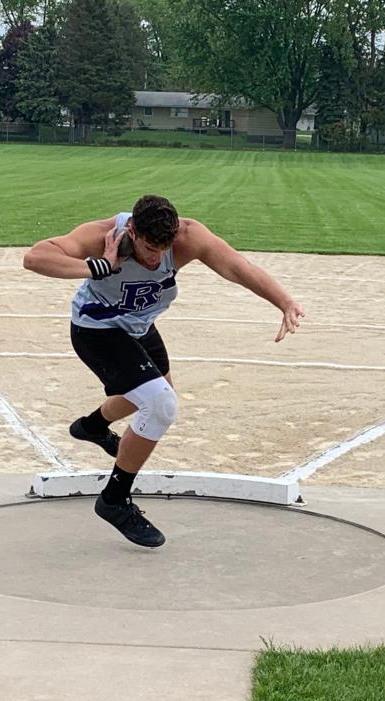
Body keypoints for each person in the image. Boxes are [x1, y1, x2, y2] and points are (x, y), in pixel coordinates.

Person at [23, 195, 305, 548]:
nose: (156, 257)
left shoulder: (188, 236)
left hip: (139, 327)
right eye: (147, 247)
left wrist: (284, 301)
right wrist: (100, 266)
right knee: (161, 405)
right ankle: (114, 500)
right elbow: (34, 258)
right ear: (132, 230)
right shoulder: (102, 236)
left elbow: (235, 265)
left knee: (147, 394)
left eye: (163, 248)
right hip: (97, 330)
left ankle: (93, 426)